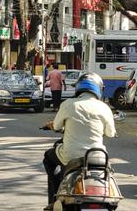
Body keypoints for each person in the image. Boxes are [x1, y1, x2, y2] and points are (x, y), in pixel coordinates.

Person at [42, 73, 115, 210]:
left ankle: (55, 197)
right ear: (99, 89)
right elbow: (110, 133)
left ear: (79, 88)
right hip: (98, 157)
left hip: (70, 156)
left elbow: (57, 126)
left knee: (48, 158)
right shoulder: (105, 108)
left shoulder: (68, 104)